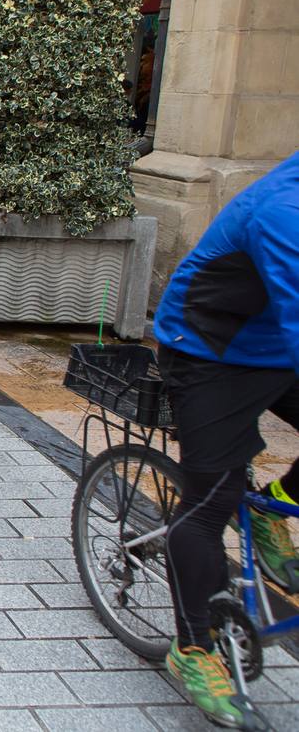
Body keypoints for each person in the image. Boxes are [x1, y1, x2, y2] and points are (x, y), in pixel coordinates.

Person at [150, 151, 299, 729]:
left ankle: (275, 508)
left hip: (272, 350)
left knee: (240, 495)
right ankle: (190, 649)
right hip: (206, 349)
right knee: (213, 497)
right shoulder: (284, 209)